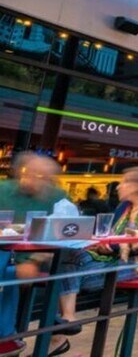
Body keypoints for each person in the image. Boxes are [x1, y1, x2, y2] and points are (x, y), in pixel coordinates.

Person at [53, 166, 138, 356]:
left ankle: (60, 331)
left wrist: (112, 246)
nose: (118, 186)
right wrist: (102, 244)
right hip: (112, 258)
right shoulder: (123, 207)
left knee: (63, 276)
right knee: (67, 256)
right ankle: (66, 321)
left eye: (124, 182)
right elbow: (110, 235)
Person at [0, 153, 68, 357]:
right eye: (33, 174)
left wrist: (35, 260)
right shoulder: (4, 190)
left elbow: (67, 234)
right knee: (7, 272)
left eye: (44, 178)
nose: (37, 181)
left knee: (8, 274)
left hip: (40, 257)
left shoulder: (58, 197)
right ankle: (8, 337)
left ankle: (7, 337)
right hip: (7, 255)